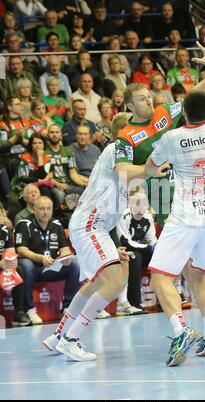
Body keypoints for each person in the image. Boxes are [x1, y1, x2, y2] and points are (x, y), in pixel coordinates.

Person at [43, 114, 169, 361]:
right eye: (138, 128)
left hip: (94, 226)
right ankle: (72, 339)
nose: (144, 132)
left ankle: (59, 335)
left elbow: (114, 204)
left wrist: (113, 245)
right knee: (114, 280)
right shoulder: (117, 149)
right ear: (125, 130)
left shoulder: (126, 156)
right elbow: (130, 175)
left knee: (96, 283)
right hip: (91, 226)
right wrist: (154, 168)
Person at [144, 37, 205, 366]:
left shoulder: (172, 137)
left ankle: (180, 330)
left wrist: (157, 167)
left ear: (184, 115)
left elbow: (151, 168)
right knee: (199, 275)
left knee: (161, 276)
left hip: (184, 217)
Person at [15, 196, 80, 325]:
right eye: (41, 209)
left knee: (74, 265)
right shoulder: (24, 224)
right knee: (25, 264)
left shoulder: (56, 224)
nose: (45, 212)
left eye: (48, 208)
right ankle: (29, 309)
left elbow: (64, 248)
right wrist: (40, 258)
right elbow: (21, 250)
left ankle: (67, 307)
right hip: (33, 268)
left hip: (51, 267)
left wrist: (65, 258)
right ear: (34, 210)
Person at [117, 188, 157, 311]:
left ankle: (167, 299)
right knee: (135, 257)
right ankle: (134, 303)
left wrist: (158, 249)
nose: (143, 206)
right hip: (124, 250)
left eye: (145, 202)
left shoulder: (147, 217)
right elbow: (125, 241)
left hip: (141, 249)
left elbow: (152, 239)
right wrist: (147, 248)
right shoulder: (124, 215)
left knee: (161, 258)